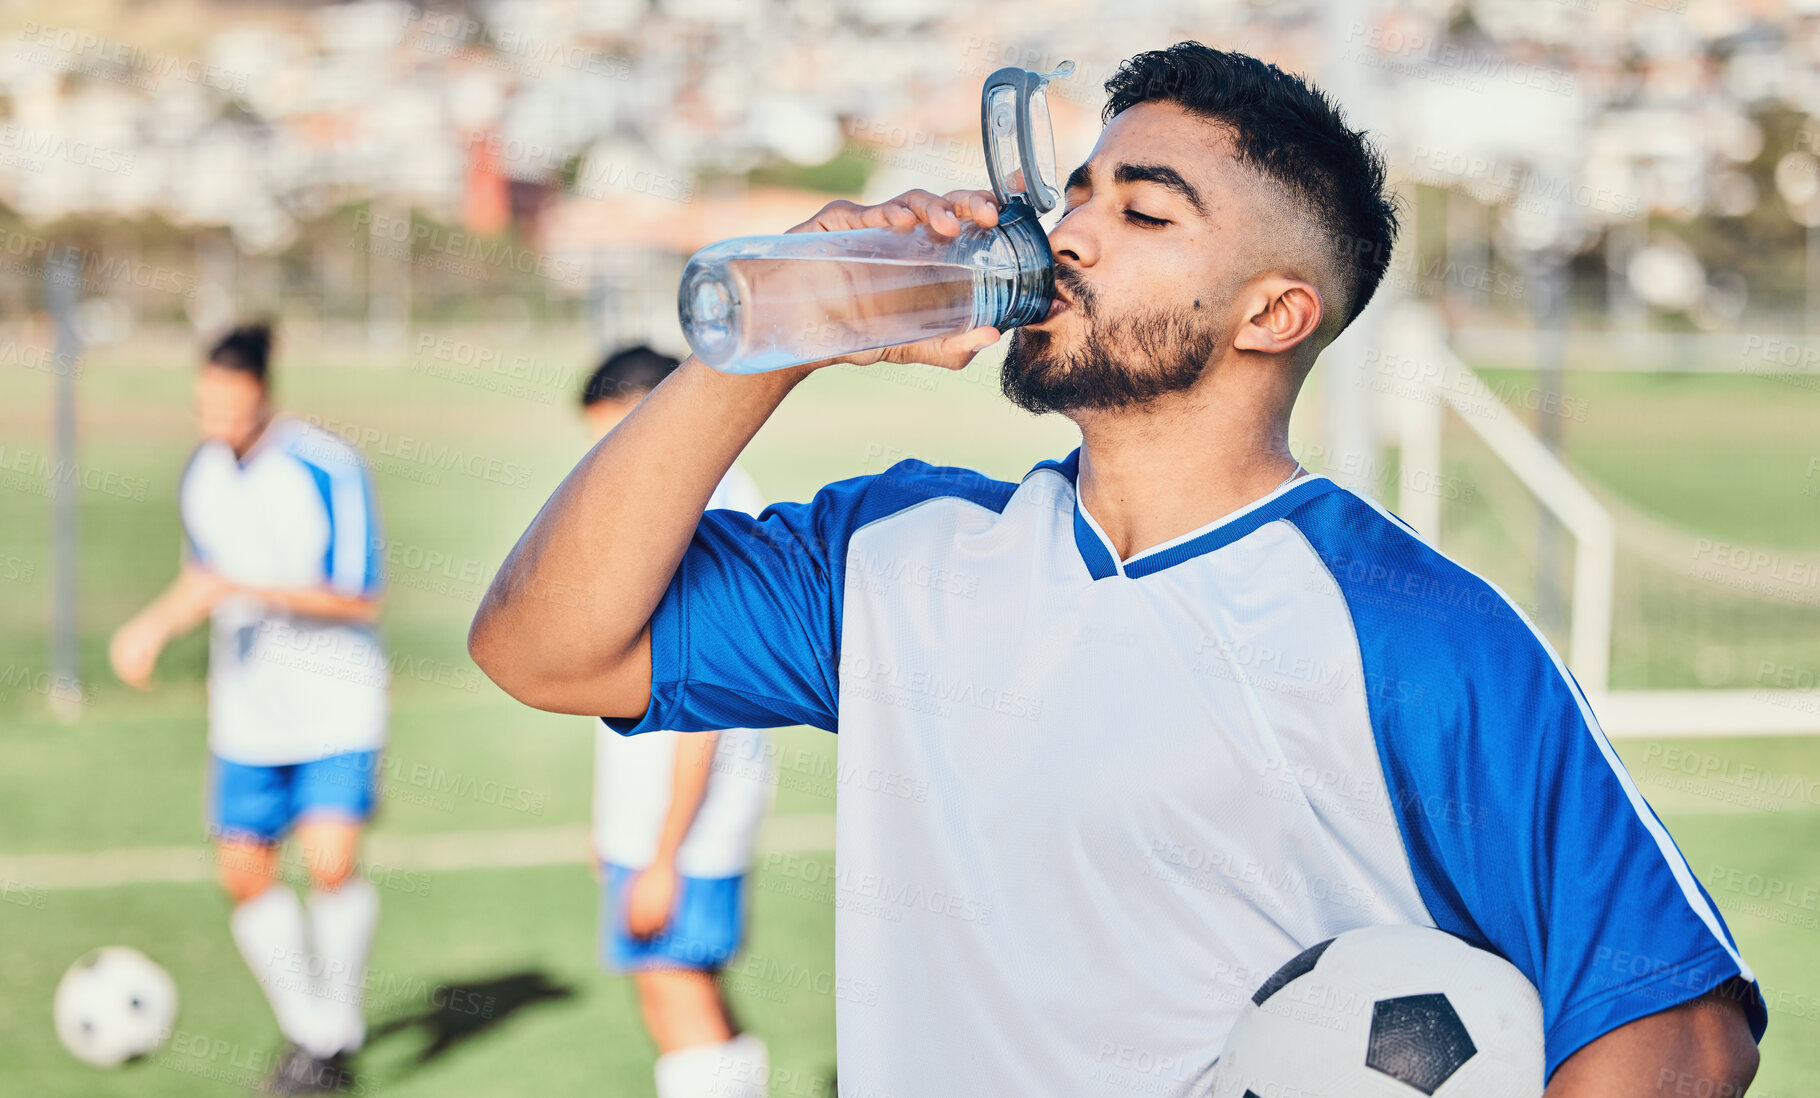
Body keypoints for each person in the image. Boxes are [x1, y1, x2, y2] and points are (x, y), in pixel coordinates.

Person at [469, 44, 1764, 1097]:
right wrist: (772, 337)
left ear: (1273, 313)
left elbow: (1683, 1030)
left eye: (1142, 210)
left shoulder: (1419, 631)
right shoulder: (892, 554)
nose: (1072, 234)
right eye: (1078, 192)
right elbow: (544, 645)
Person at [110, 323, 386, 1096]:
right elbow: (203, 576)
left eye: (230, 406)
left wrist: (248, 588)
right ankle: (314, 1032)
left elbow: (361, 595)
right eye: (205, 406)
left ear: (265, 393)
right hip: (247, 711)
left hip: (336, 702)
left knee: (331, 863)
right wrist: (151, 629)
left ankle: (336, 1032)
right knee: (244, 875)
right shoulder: (201, 473)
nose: (217, 422)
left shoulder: (326, 466)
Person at [581, 347, 773, 1098]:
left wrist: (662, 852)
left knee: (674, 993)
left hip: (689, 820)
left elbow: (709, 702)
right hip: (657, 817)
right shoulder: (660, 496)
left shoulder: (710, 500)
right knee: (685, 990)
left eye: (611, 432)